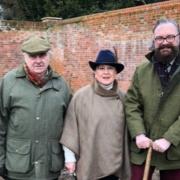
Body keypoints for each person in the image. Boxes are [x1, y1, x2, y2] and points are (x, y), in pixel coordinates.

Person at [0, 35, 71, 180]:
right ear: (24, 56)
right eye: (33, 56)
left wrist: (70, 158)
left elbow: (69, 126)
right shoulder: (9, 83)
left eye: (42, 55)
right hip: (18, 167)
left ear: (49, 55)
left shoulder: (61, 85)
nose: (38, 60)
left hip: (50, 167)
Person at [60, 49, 130, 180]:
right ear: (95, 72)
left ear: (116, 72)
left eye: (110, 68)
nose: (106, 72)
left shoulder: (124, 98)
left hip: (116, 168)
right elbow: (71, 129)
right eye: (101, 68)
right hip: (89, 164)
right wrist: (70, 159)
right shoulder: (80, 97)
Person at [125, 18, 180, 180]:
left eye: (170, 37)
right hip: (143, 147)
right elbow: (131, 103)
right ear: (154, 41)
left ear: (178, 38)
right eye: (159, 38)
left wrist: (170, 138)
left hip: (175, 150)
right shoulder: (142, 70)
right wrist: (139, 133)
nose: (164, 42)